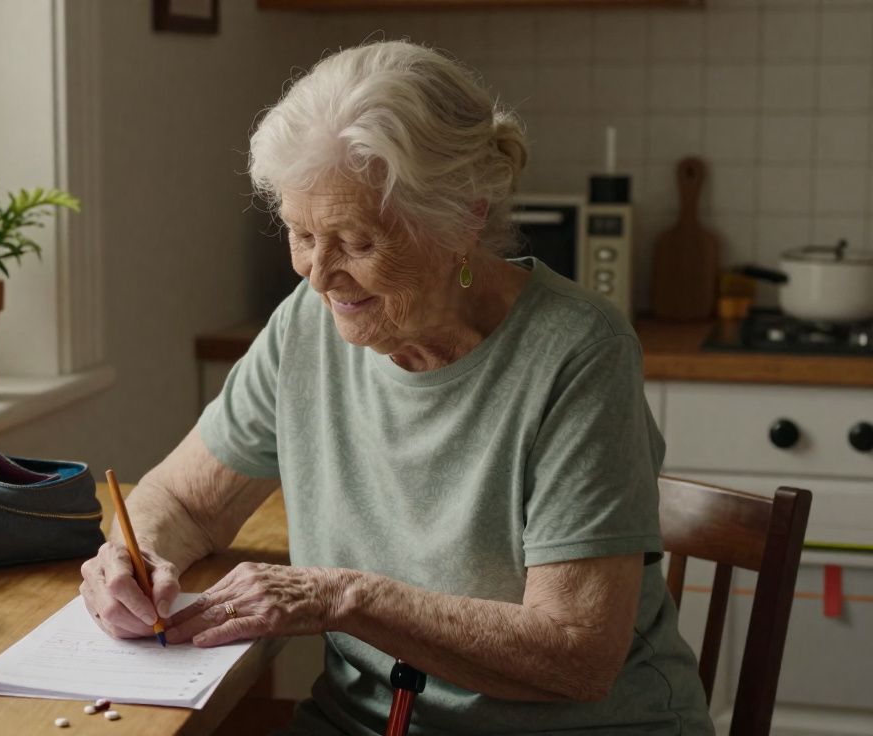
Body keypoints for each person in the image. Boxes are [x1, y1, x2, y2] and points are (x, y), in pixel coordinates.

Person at [80, 40, 712, 735]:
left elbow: (576, 654)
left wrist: (342, 595)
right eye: (298, 233)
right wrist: (132, 564)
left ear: (463, 219)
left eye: (355, 241)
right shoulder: (306, 327)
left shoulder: (578, 355)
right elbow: (183, 502)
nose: (318, 275)